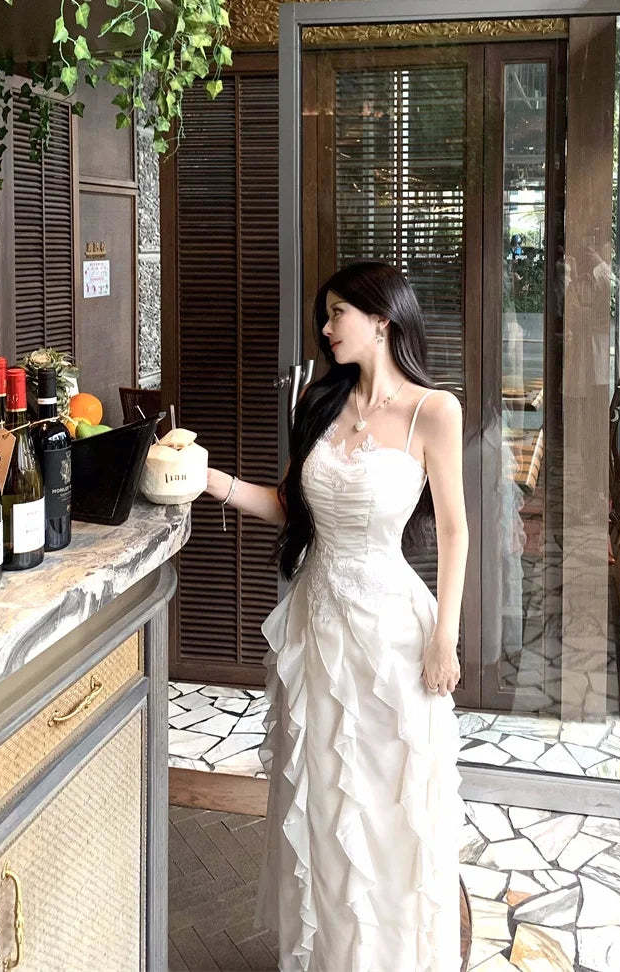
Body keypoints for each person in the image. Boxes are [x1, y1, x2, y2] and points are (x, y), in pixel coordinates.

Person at [203, 261, 468, 971]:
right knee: (322, 799)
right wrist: (209, 480)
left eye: (337, 313)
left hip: (392, 635)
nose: (325, 329)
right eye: (326, 315)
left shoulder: (433, 412)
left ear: (381, 320)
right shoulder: (321, 403)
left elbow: (454, 530)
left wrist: (445, 637)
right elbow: (289, 507)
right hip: (317, 632)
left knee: (388, 807)